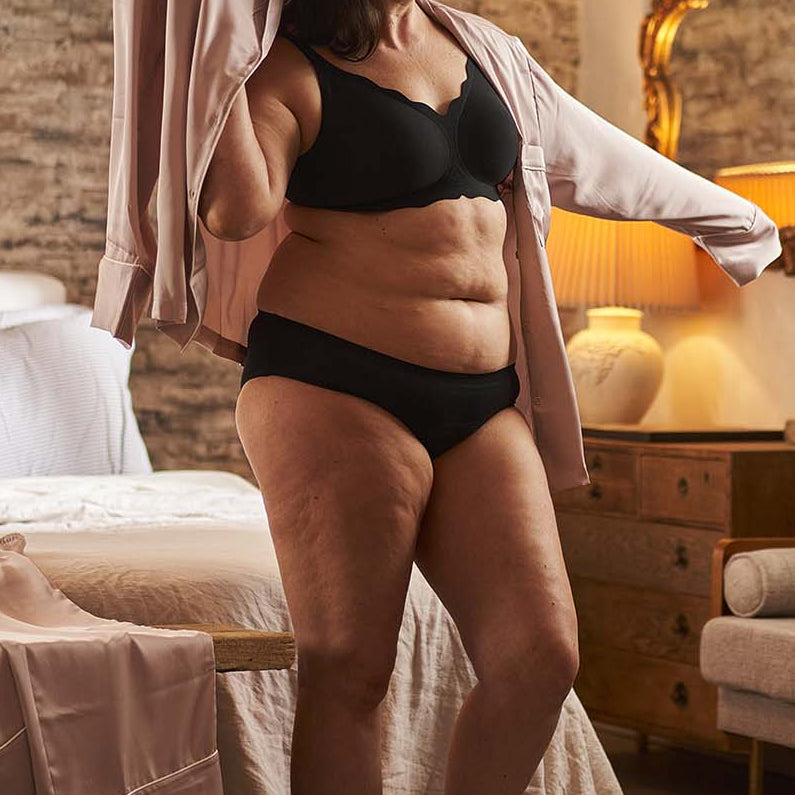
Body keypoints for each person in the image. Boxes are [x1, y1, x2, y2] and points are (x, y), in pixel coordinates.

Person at [202, 2, 579, 794]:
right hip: (331, 381)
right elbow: (236, 210)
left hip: (481, 399)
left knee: (540, 657)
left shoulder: (479, 47)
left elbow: (591, 153)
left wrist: (735, 221)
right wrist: (212, 66)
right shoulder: (287, 67)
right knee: (349, 667)